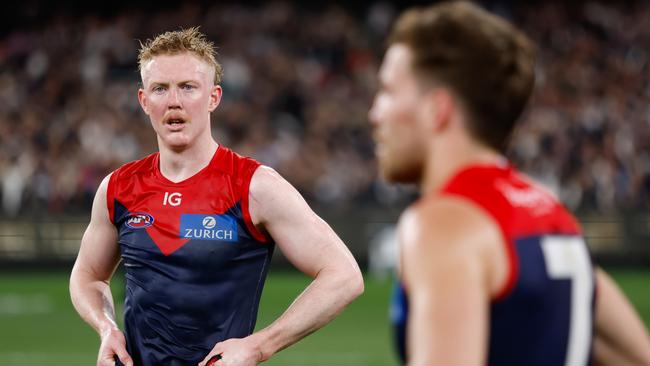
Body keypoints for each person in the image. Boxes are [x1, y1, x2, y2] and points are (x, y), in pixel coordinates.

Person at [368, 2, 650, 365]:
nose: (376, 113)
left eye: (388, 91)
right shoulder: (553, 215)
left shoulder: (444, 223)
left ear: (437, 110)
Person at [69, 27, 364, 366]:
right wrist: (106, 328)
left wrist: (260, 345)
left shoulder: (254, 186)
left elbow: (344, 275)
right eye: (160, 89)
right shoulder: (118, 188)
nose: (174, 101)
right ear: (143, 100)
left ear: (214, 97)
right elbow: (88, 275)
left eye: (188, 87)